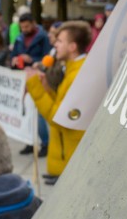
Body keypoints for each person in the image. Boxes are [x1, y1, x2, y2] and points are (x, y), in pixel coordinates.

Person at [25, 21, 92, 185]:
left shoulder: (78, 75)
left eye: (60, 41)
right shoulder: (72, 69)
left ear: (72, 47)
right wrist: (46, 88)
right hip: (65, 159)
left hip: (71, 162)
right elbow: (62, 104)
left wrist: (34, 85)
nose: (55, 44)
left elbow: (60, 118)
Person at [11, 13, 50, 158]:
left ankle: (45, 142)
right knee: (26, 112)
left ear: (34, 24)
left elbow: (48, 58)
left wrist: (32, 59)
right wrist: (15, 59)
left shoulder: (43, 37)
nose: (24, 29)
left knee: (38, 114)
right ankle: (29, 141)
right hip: (22, 79)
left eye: (27, 26)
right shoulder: (19, 38)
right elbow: (12, 56)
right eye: (22, 27)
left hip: (38, 79)